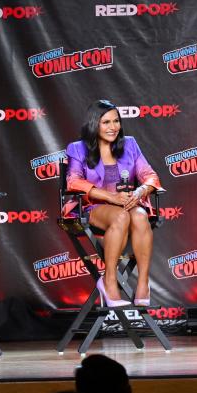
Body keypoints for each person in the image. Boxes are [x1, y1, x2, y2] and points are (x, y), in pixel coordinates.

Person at [66, 100, 163, 307]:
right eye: (106, 122)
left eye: (116, 121)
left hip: (128, 205)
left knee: (139, 215)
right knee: (121, 216)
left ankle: (143, 282)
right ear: (94, 124)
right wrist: (111, 198)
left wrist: (140, 191)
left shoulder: (130, 144)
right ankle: (109, 280)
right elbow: (73, 181)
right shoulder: (77, 148)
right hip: (93, 207)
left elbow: (150, 175)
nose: (113, 127)